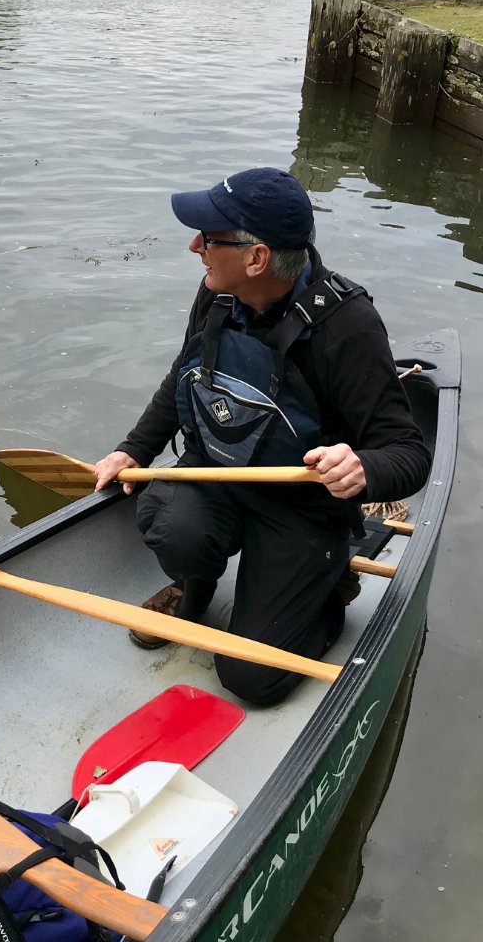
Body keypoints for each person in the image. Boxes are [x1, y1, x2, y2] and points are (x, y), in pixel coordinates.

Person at [93, 167, 431, 707]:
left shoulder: (348, 327)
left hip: (299, 506)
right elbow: (185, 374)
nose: (194, 246)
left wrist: (362, 468)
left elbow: (409, 454)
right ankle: (195, 588)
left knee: (253, 680)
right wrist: (133, 448)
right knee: (168, 521)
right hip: (218, 472)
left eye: (209, 238)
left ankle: (325, 590)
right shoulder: (217, 293)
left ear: (256, 259)